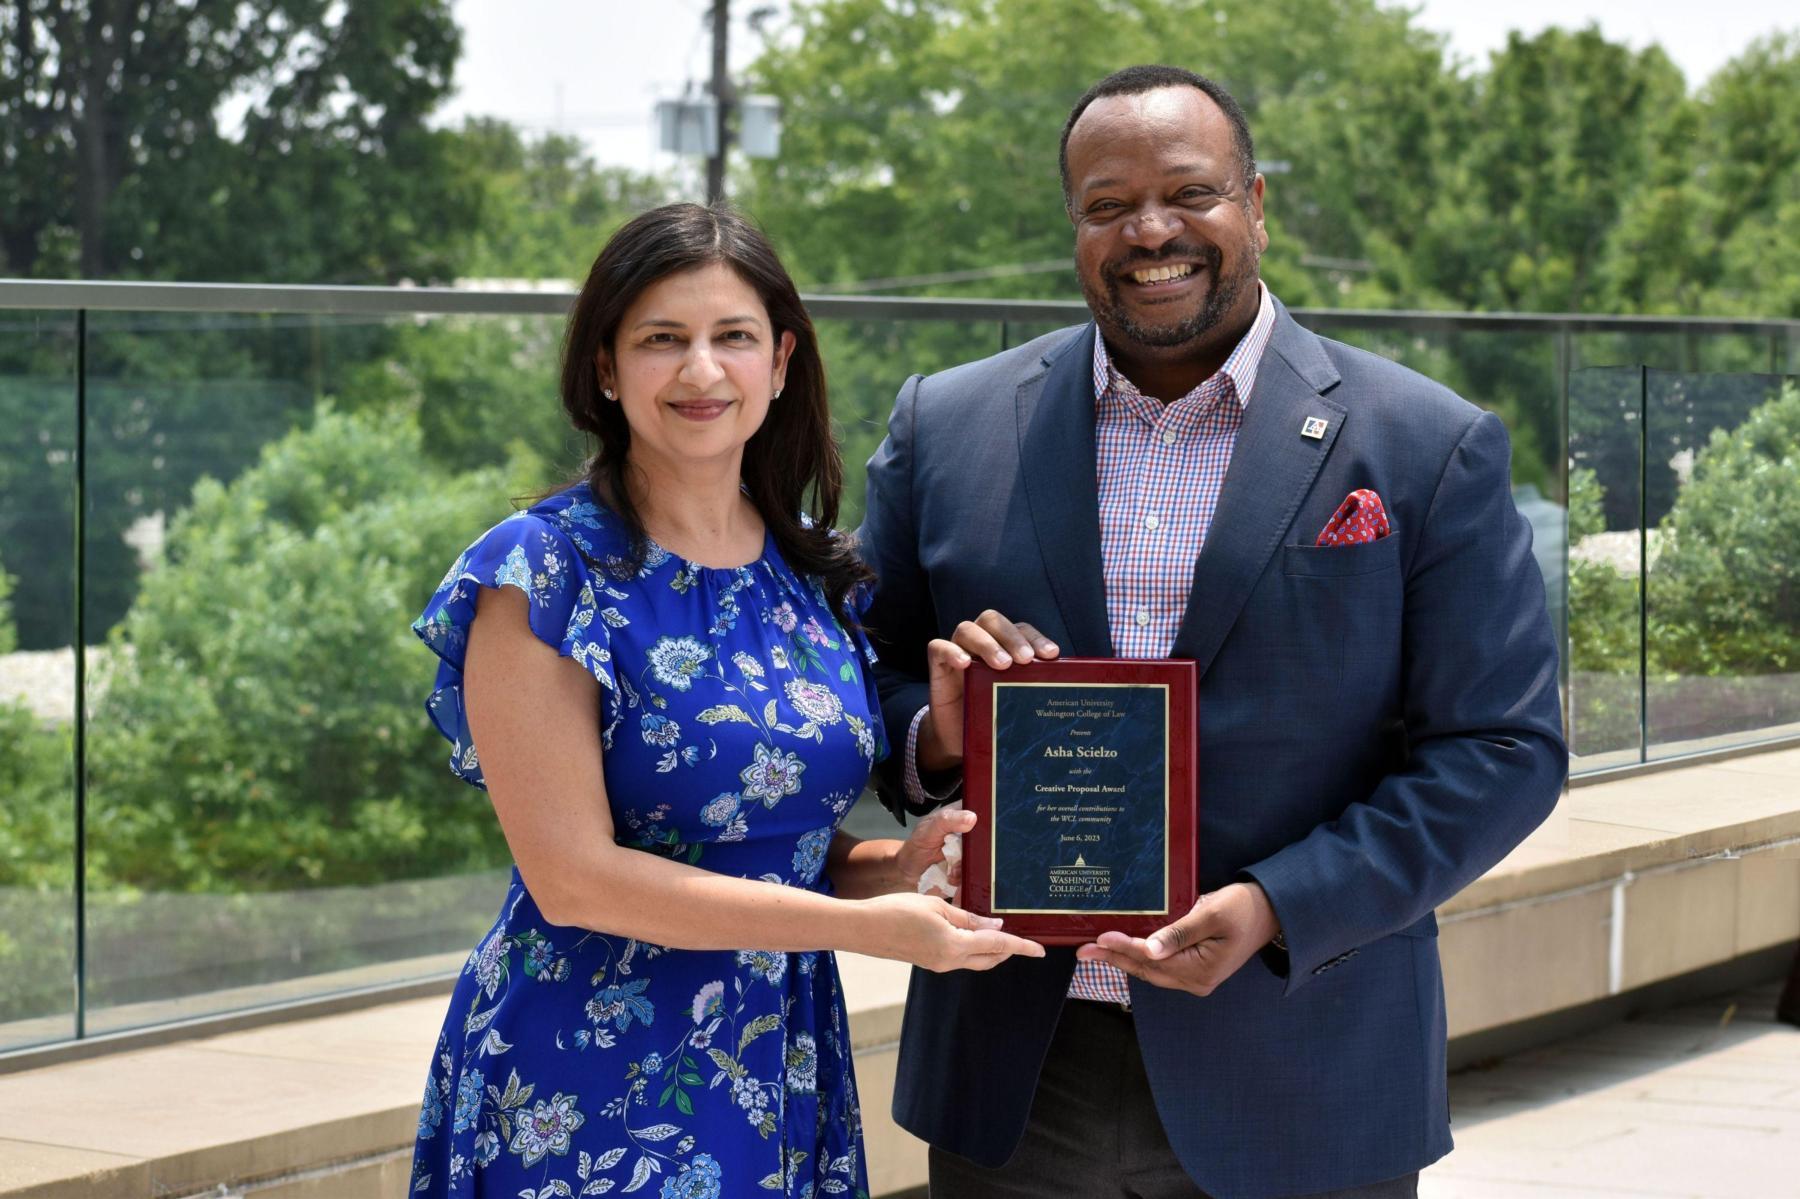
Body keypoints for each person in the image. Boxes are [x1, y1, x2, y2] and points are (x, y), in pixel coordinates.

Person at [858, 66, 1568, 1199]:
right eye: (1106, 205)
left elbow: (1504, 749)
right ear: (1074, 226)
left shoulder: (1426, 443)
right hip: (1015, 1073)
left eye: (1190, 193)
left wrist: (1282, 903)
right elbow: (863, 669)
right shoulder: (946, 424)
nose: (1150, 231)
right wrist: (933, 740)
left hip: (1305, 1055)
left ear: (1257, 204)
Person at [405, 203, 1041, 1199]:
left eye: (732, 337)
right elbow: (575, 877)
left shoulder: (813, 570)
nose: (702, 371)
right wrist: (865, 929)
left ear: (781, 361)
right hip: (582, 1076)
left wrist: (891, 866)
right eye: (663, 340)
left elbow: (760, 839)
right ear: (607, 369)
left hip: (775, 1052)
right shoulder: (543, 572)